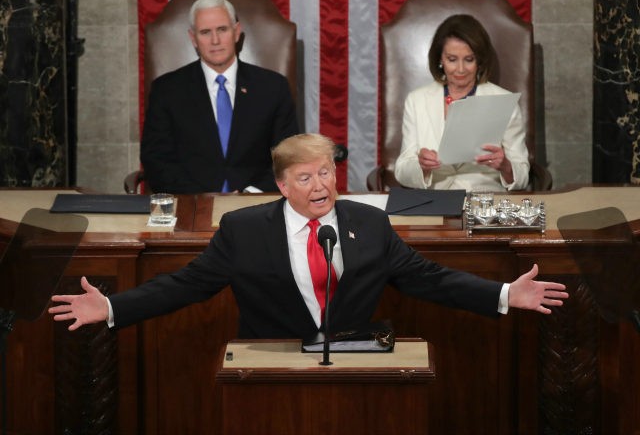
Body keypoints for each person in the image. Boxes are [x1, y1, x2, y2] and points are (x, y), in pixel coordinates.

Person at [50, 133, 567, 340]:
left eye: (325, 173)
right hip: (269, 370)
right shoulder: (244, 230)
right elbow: (186, 285)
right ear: (281, 185)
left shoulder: (367, 222)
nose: (320, 186)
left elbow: (428, 278)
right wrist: (113, 308)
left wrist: (503, 294)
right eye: (305, 177)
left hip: (352, 366)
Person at [140, 0, 299, 194]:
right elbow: (156, 159)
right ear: (193, 39)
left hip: (257, 205)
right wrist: (200, 198)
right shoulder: (167, 90)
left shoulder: (273, 87)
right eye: (205, 32)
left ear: (236, 32)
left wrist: (251, 194)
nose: (215, 40)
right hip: (191, 206)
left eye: (222, 30)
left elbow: (289, 155)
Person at [394, 14, 530, 191]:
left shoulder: (504, 101)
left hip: (484, 203)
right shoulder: (416, 100)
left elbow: (523, 176)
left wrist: (505, 166)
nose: (460, 69)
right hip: (435, 202)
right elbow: (402, 170)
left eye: (469, 60)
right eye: (452, 59)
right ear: (440, 60)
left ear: (479, 61)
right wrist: (422, 167)